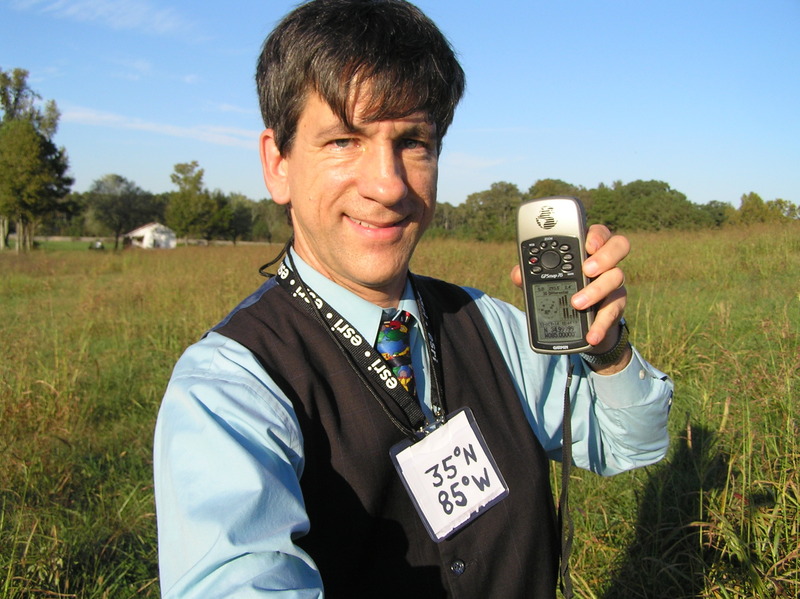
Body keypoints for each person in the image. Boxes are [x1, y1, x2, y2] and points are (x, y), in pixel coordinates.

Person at [153, 1, 673, 597]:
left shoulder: (493, 325)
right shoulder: (230, 389)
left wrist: (607, 354)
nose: (388, 185)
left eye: (413, 142)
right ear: (278, 164)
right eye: (345, 140)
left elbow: (631, 444)